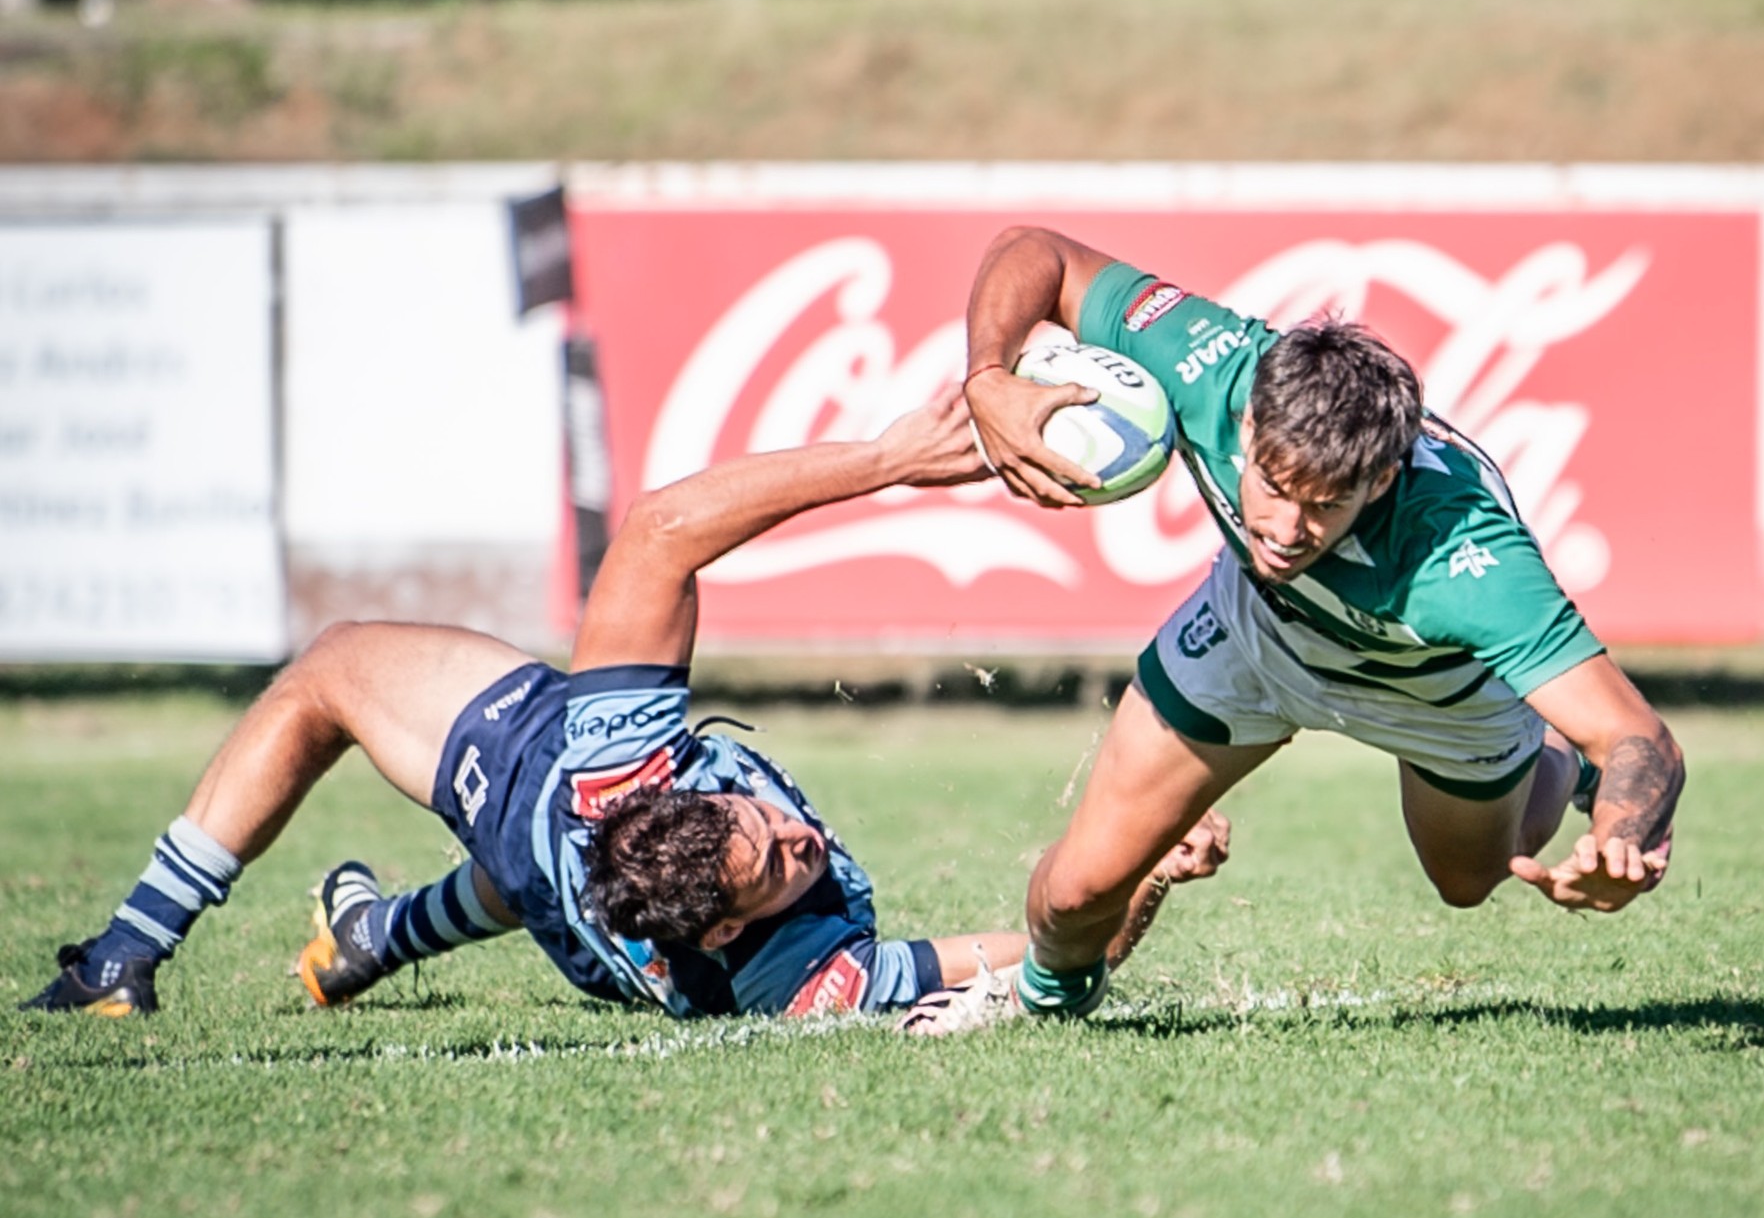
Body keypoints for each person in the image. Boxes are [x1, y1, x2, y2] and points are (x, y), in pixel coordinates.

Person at [20, 390, 1227, 1022]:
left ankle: (131, 952)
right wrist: (1143, 877)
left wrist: (885, 459)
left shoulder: (646, 797)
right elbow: (1051, 961)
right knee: (507, 862)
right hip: (564, 880)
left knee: (332, 673)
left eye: (776, 840)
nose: (804, 838)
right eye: (779, 856)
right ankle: (373, 935)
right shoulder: (783, 954)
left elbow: (656, 529)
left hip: (535, 784)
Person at [910, 227, 1683, 1030]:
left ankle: (1548, 750)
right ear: (1246, 429)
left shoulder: (1467, 557)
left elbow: (1643, 738)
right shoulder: (1210, 365)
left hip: (1436, 692)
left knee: (1471, 880)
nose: (1285, 528)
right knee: (1076, 895)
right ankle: (1038, 1001)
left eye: (1325, 506)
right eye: (1273, 487)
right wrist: (987, 377)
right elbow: (1038, 252)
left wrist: (1621, 836)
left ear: (1381, 478)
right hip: (1254, 632)